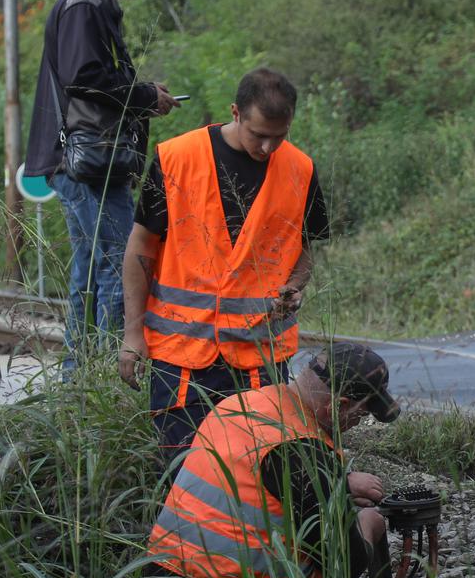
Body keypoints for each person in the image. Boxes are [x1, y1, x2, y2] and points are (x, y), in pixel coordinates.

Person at [142, 341, 403, 578]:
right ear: (339, 406)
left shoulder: (242, 404)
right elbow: (341, 567)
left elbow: (258, 483)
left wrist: (338, 483)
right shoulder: (302, 454)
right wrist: (367, 524)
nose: (358, 424)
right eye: (360, 415)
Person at [119, 67, 329, 476]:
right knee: (182, 476)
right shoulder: (177, 158)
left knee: (257, 477)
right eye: (258, 134)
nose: (268, 147)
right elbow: (140, 247)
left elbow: (304, 249)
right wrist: (132, 334)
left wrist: (295, 286)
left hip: (258, 362)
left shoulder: (300, 169)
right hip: (180, 360)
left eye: (279, 136)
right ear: (235, 112)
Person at [23, 0, 180, 368]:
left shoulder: (88, 2)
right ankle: (113, 373)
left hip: (82, 160)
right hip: (85, 163)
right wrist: (145, 96)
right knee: (120, 261)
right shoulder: (85, 5)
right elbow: (83, 78)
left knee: (90, 269)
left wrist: (143, 92)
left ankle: (81, 376)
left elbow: (88, 78)